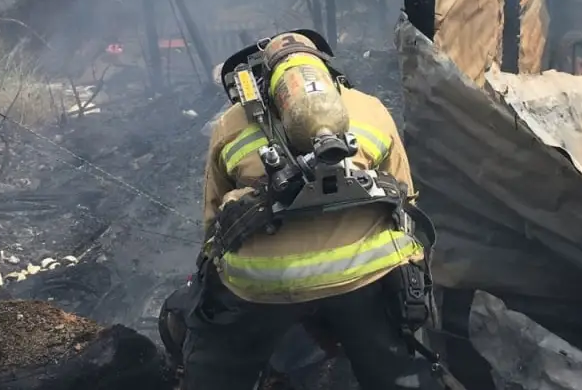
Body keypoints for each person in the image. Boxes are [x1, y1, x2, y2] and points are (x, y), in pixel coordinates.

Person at [178, 30, 440, 390]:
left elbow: (213, 222)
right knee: (392, 367)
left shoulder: (232, 123)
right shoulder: (369, 107)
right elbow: (406, 200)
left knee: (220, 363)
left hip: (262, 281)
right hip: (367, 271)